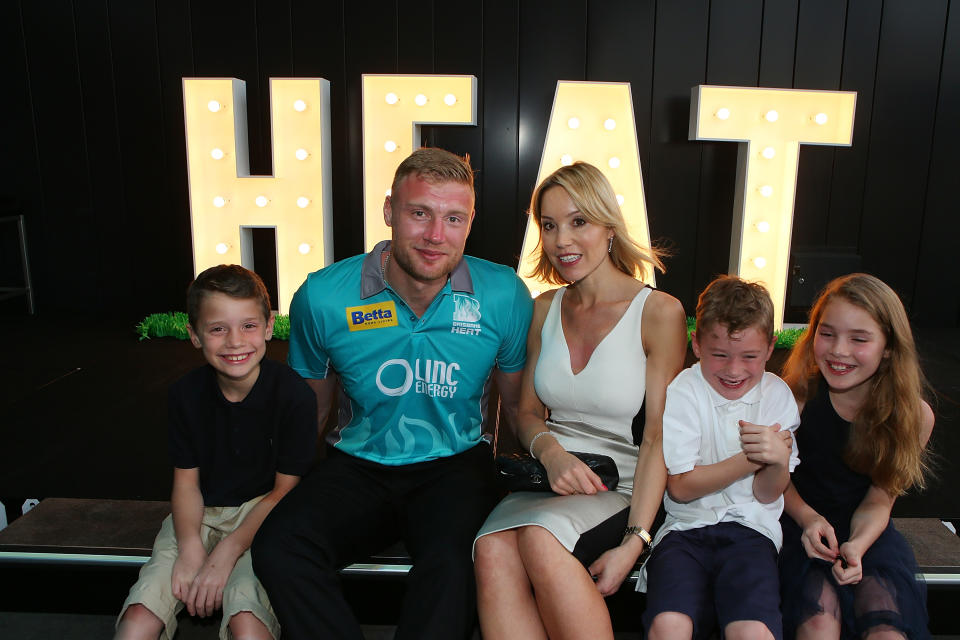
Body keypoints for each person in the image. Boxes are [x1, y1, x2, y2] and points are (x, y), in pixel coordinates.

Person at [250, 148, 534, 640]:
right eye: (418, 212)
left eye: (453, 218)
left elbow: (517, 407)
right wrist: (277, 492)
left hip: (456, 462)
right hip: (357, 464)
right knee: (279, 546)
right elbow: (313, 409)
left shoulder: (503, 294)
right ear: (388, 211)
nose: (434, 235)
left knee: (454, 564)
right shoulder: (323, 296)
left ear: (470, 223)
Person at [473, 161, 688, 640]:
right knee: (489, 548)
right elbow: (525, 413)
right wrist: (552, 455)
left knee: (539, 538)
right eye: (548, 225)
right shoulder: (544, 308)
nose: (561, 240)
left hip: (623, 484)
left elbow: (658, 438)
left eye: (578, 222)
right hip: (547, 478)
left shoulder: (659, 312)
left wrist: (636, 540)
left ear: (608, 227)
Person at [114, 265, 317, 640]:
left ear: (270, 326)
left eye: (248, 326)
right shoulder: (184, 395)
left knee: (247, 625)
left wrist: (227, 552)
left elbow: (283, 492)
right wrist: (191, 548)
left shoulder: (294, 397)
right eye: (218, 328)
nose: (235, 342)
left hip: (264, 518)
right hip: (197, 515)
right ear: (194, 335)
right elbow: (186, 482)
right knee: (137, 621)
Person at [642, 275, 801, 640]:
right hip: (684, 532)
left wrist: (776, 464)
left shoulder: (776, 395)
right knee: (669, 626)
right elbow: (681, 488)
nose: (734, 370)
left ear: (770, 348)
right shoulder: (684, 389)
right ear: (696, 345)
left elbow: (766, 494)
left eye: (749, 357)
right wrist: (755, 457)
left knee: (751, 630)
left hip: (751, 533)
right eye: (720, 355)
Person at [778, 273, 934, 640]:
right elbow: (771, 481)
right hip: (798, 524)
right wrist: (808, 518)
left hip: (868, 535)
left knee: (886, 628)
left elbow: (880, 501)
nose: (838, 350)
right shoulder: (792, 399)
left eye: (859, 339)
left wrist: (858, 546)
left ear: (890, 347)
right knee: (819, 622)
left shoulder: (914, 416)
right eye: (827, 333)